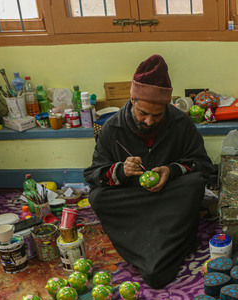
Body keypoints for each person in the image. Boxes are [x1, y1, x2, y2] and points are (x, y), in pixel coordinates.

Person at [85, 54, 214, 288]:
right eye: (143, 113)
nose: (149, 121)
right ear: (132, 100)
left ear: (167, 106)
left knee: (194, 184)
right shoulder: (112, 128)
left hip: (168, 194)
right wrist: (121, 171)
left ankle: (174, 243)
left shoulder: (181, 123)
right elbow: (93, 175)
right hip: (131, 197)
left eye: (157, 115)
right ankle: (152, 243)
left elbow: (203, 165)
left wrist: (171, 170)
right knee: (97, 197)